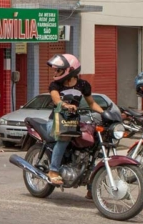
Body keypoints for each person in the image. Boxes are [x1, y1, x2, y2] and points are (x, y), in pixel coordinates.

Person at [45, 53, 105, 186]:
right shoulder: (55, 85)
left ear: (70, 70)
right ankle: (53, 170)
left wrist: (106, 114)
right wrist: (65, 105)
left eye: (58, 70)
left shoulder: (83, 85)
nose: (55, 72)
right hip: (55, 122)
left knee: (93, 141)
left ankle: (92, 184)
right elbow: (56, 100)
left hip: (73, 122)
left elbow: (92, 104)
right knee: (65, 137)